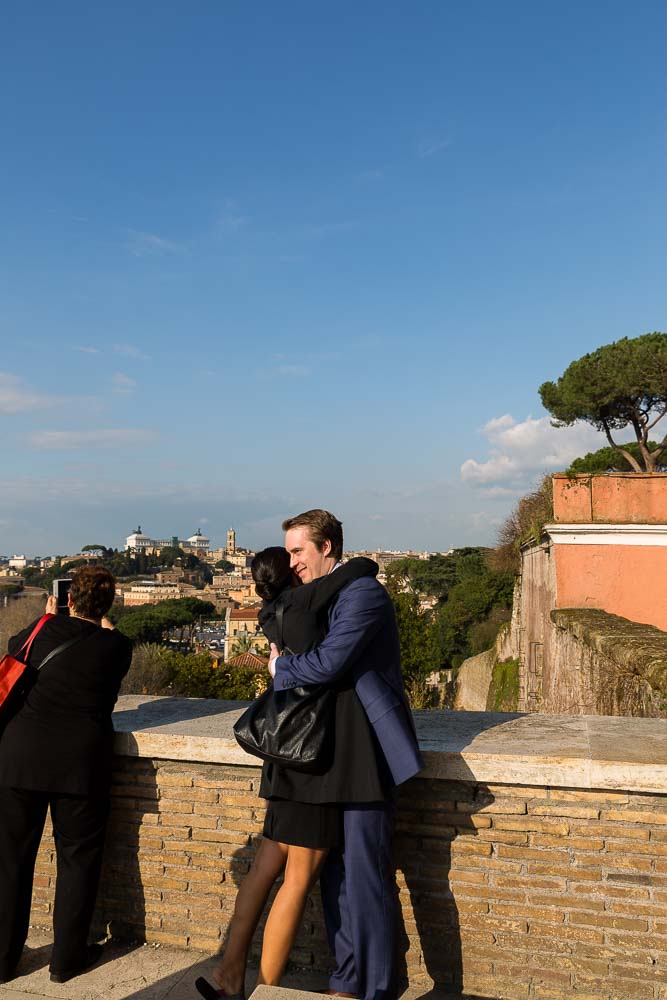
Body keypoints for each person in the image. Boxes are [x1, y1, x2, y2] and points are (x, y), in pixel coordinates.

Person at [195, 548, 379, 1000]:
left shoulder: (271, 613)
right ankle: (268, 991)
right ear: (293, 573)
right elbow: (342, 586)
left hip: (282, 758)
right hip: (308, 763)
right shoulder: (304, 609)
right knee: (298, 879)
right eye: (296, 559)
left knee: (265, 869)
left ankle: (229, 975)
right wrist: (360, 565)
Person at [268, 510, 423, 1000]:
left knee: (365, 875)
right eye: (289, 552)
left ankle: (376, 988)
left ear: (328, 547)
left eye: (299, 551)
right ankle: (346, 980)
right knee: (333, 874)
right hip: (328, 751)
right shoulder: (324, 595)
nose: (292, 562)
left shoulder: (363, 594)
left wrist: (281, 668)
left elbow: (331, 663)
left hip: (364, 750)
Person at [0, 566, 132, 985]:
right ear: (108, 606)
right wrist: (100, 621)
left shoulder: (40, 631)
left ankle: (2, 961)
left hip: (19, 760)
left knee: (10, 863)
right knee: (78, 861)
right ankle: (66, 960)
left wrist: (50, 615)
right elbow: (107, 645)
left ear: (66, 599)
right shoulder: (117, 647)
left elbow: (13, 649)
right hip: (80, 765)